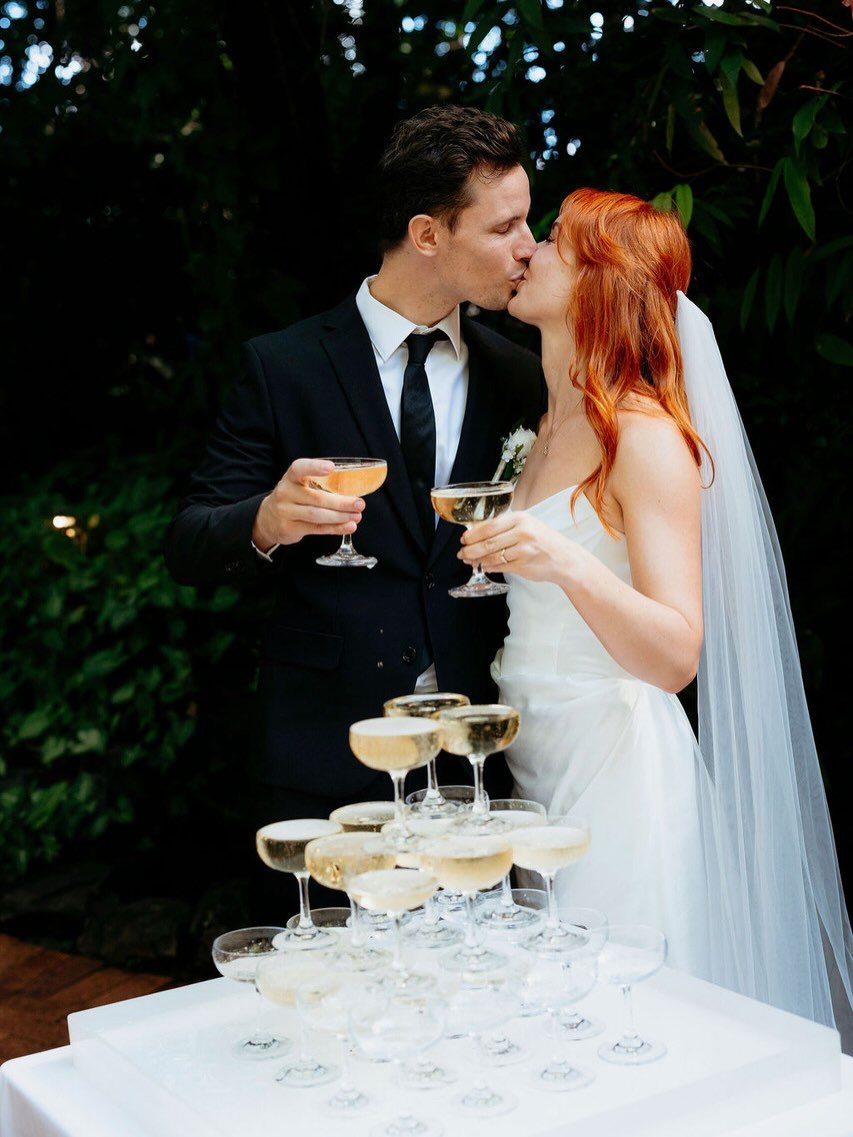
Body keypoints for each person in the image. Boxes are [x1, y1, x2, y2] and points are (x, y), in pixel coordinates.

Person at [460, 187, 853, 1038]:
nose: (529, 251)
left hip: (617, 769)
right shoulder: (539, 424)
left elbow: (676, 655)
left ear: (603, 281)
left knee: (613, 1021)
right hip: (534, 765)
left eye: (556, 242)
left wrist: (559, 557)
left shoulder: (642, 435)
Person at [163, 105, 544, 910]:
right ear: (428, 233)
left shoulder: (522, 375)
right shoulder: (283, 365)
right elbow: (189, 544)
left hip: (476, 758)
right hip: (324, 755)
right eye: (506, 224)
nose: (528, 247)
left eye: (528, 221)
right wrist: (265, 520)